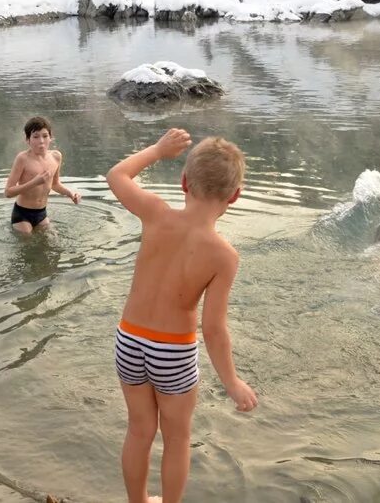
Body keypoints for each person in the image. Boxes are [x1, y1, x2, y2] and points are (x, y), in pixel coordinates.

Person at [107, 128, 258, 503]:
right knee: (177, 439)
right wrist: (232, 381)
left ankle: (138, 502)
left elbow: (116, 176)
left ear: (184, 181)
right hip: (171, 351)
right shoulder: (224, 255)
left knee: (139, 431)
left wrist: (158, 150)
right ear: (234, 197)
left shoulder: (156, 213)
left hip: (129, 339)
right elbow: (213, 328)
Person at [3, 115, 81, 234]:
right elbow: (8, 192)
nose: (41, 141)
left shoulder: (56, 157)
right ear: (27, 139)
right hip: (22, 214)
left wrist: (70, 193)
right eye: (36, 136)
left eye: (45, 136)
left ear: (51, 137)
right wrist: (34, 182)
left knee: (53, 240)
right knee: (28, 244)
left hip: (41, 213)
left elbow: (55, 184)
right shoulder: (23, 158)